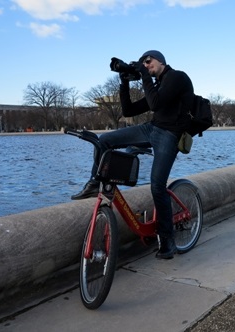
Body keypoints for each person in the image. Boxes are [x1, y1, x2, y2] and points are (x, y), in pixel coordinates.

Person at [71, 50, 194, 259]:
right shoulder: (158, 85)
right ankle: (94, 183)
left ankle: (167, 240)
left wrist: (143, 74)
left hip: (170, 135)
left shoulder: (177, 77)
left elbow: (155, 104)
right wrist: (124, 81)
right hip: (152, 128)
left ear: (161, 61)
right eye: (142, 63)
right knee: (105, 140)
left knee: (157, 185)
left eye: (148, 61)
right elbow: (128, 111)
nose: (145, 65)